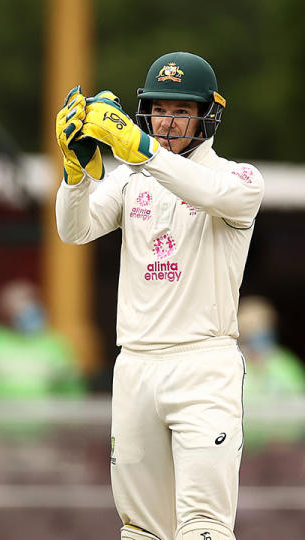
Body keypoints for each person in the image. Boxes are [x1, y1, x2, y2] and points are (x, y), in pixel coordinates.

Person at [55, 51, 264, 540]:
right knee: (140, 530)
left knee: (203, 526)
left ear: (206, 116)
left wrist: (140, 148)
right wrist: (76, 173)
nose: (167, 122)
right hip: (135, 367)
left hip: (203, 367)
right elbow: (74, 229)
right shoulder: (132, 179)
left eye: (181, 111)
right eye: (160, 109)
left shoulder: (238, 180)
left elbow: (209, 194)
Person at [0, 279, 84, 400]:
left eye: (32, 304)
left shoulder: (54, 344)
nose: (29, 314)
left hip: (46, 418)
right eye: (21, 308)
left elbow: (72, 390)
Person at [237, 295, 305, 450]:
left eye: (261, 329)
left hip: (286, 450)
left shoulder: (285, 364)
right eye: (249, 332)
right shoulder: (233, 367)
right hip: (246, 452)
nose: (256, 339)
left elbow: (299, 403)